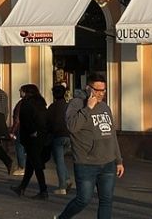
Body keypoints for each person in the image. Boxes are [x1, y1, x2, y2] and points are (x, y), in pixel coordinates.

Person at [56, 74, 124, 219]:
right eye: (97, 90)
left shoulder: (105, 107)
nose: (100, 94)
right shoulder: (76, 104)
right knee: (83, 200)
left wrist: (118, 160)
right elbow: (72, 127)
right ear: (88, 88)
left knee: (106, 200)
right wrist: (88, 109)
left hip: (108, 163)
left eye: (103, 90)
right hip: (86, 163)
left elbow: (111, 135)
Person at [11, 83, 50, 199]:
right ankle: (22, 187)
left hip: (32, 137)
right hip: (41, 136)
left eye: (21, 91)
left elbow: (26, 121)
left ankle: (43, 190)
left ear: (27, 92)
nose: (20, 93)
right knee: (30, 163)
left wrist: (32, 132)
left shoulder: (27, 104)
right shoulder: (41, 103)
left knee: (36, 164)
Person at [48, 84, 74, 195]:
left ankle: (62, 186)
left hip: (57, 137)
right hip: (69, 136)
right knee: (60, 160)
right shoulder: (69, 106)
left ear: (54, 94)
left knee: (59, 161)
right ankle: (67, 179)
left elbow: (48, 122)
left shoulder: (52, 107)